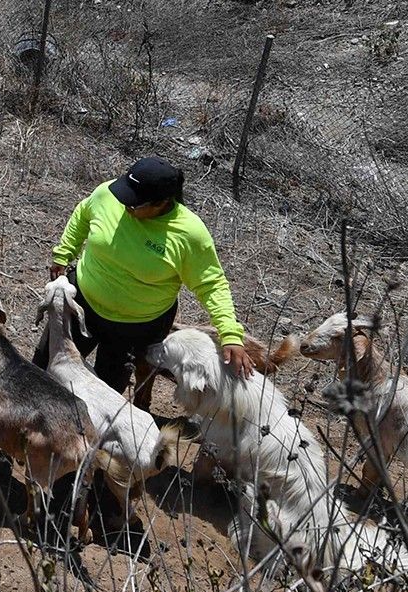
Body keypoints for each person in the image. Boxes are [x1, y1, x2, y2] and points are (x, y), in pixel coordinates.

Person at [41, 156, 253, 407]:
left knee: (101, 395)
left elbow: (212, 285)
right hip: (82, 306)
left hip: (133, 329)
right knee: (45, 370)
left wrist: (230, 335)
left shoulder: (188, 234)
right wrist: (63, 253)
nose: (125, 205)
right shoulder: (108, 195)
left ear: (162, 203)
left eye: (134, 204)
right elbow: (83, 213)